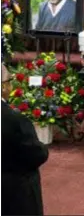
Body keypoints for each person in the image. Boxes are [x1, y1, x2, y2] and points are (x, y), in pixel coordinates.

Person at [1, 63, 49, 215]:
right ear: (3, 87)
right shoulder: (14, 120)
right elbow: (35, 155)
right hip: (12, 193)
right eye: (9, 81)